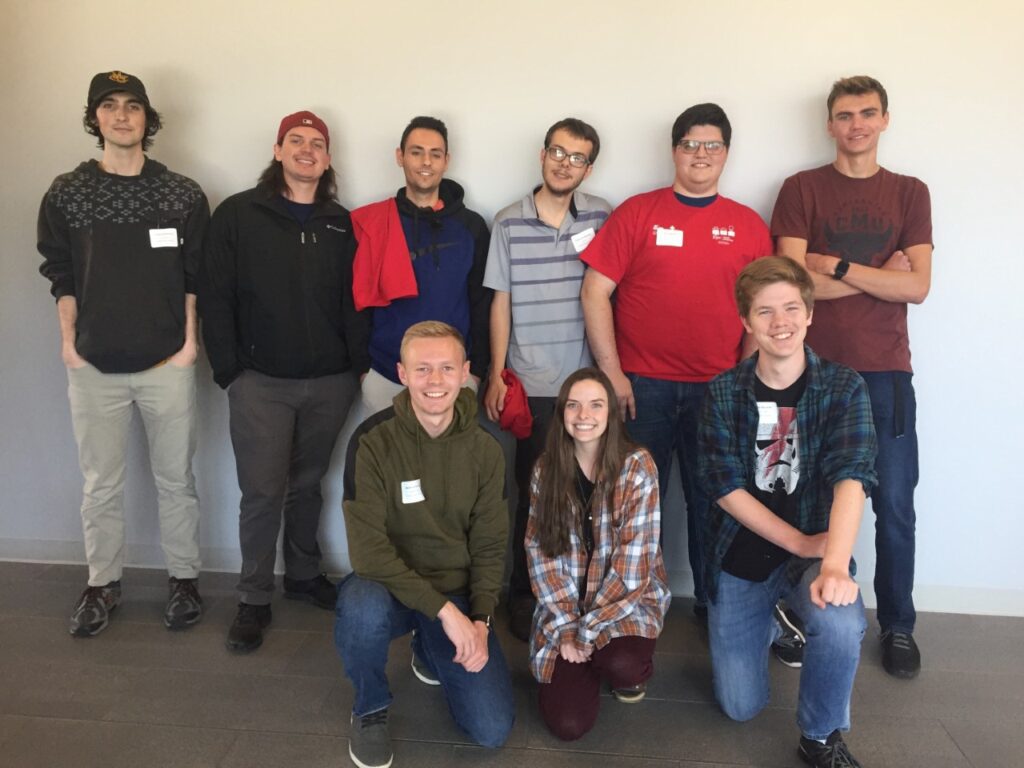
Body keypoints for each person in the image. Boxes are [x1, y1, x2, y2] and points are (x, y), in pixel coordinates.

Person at [581, 103, 771, 618]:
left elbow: (762, 310)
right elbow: (595, 292)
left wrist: (744, 380)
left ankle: (715, 610)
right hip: (643, 388)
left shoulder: (749, 225)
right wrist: (613, 372)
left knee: (717, 505)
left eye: (712, 145)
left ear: (727, 153)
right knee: (636, 506)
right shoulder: (638, 213)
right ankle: (634, 609)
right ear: (674, 151)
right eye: (691, 144)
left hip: (719, 390)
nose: (701, 154)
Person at [771, 76, 932, 679]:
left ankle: (898, 625)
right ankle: (796, 615)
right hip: (808, 374)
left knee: (893, 505)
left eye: (867, 113)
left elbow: (917, 286)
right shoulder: (801, 189)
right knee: (797, 499)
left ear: (885, 119)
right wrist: (876, 272)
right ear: (829, 124)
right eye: (844, 115)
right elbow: (790, 288)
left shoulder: (910, 192)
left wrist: (835, 265)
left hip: (886, 374)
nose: (856, 124)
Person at [37, 70, 209, 637]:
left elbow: (194, 276)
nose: (121, 115)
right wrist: (69, 344)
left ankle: (184, 580)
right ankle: (102, 584)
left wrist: (189, 346)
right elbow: (60, 272)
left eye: (132, 106)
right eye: (109, 106)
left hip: (167, 363)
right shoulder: (67, 192)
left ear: (147, 118)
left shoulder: (181, 194)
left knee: (175, 480)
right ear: (95, 119)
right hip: (93, 365)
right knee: (101, 485)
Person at [698, 256, 877, 768]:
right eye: (766, 311)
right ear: (746, 322)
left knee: (841, 620)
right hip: (743, 555)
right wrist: (796, 541)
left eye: (792, 308)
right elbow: (723, 486)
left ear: (810, 314)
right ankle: (779, 619)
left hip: (815, 550)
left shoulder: (843, 387)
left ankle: (820, 736)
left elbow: (853, 477)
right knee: (739, 706)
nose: (781, 322)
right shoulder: (723, 391)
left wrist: (836, 565)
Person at [198, 110, 367, 653]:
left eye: (317, 143)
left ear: (328, 157)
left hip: (330, 383)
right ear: (277, 151)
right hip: (260, 382)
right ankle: (252, 598)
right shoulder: (239, 214)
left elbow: (354, 300)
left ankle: (302, 575)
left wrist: (355, 365)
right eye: (296, 140)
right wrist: (229, 369)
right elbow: (215, 293)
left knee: (308, 484)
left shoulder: (342, 223)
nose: (306, 150)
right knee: (262, 492)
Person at [335, 321, 514, 768]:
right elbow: (369, 553)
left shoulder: (487, 449)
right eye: (422, 369)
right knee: (360, 607)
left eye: (446, 368)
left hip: (455, 593)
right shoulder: (372, 442)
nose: (435, 381)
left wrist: (479, 620)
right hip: (387, 587)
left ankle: (428, 645)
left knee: (492, 730)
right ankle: (370, 708)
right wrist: (447, 614)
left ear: (466, 372)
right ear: (401, 372)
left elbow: (492, 546)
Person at [483, 117, 613, 640]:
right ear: (542, 155)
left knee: (588, 496)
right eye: (558, 152)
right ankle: (525, 596)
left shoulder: (603, 216)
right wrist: (496, 373)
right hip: (531, 386)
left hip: (585, 389)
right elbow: (501, 301)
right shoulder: (507, 221)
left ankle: (582, 592)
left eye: (577, 156)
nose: (565, 163)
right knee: (532, 497)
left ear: (589, 166)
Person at [526, 368, 670, 741]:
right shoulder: (546, 470)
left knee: (623, 663)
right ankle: (586, 667)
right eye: (573, 406)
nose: (583, 415)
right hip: (566, 608)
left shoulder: (637, 466)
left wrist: (585, 635)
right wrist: (566, 629)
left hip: (624, 603)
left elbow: (632, 570)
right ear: (562, 414)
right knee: (568, 725)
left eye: (595, 405)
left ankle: (609, 663)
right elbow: (542, 558)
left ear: (611, 413)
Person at [351, 116, 491, 414]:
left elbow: (482, 303)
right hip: (386, 374)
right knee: (389, 461)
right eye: (416, 152)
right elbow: (355, 301)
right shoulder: (373, 223)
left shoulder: (472, 226)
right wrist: (363, 369)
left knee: (451, 462)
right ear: (400, 156)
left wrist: (477, 370)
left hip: (454, 377)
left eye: (435, 154)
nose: (426, 161)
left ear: (446, 160)